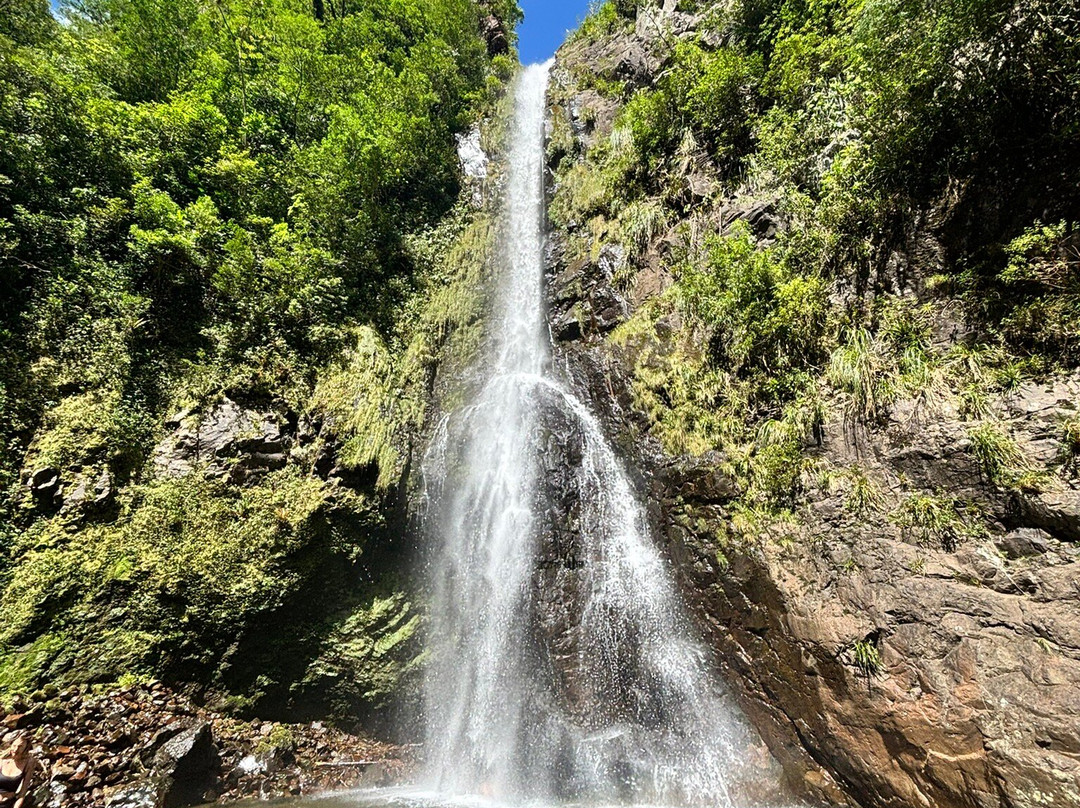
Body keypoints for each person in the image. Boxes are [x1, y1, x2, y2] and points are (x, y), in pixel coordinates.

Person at [0, 734, 37, 808]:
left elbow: (22, 793)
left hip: (7, 803)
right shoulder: (2, 760)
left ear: (25, 748)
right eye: (14, 745)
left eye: (20, 747)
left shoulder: (28, 763)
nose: (16, 749)